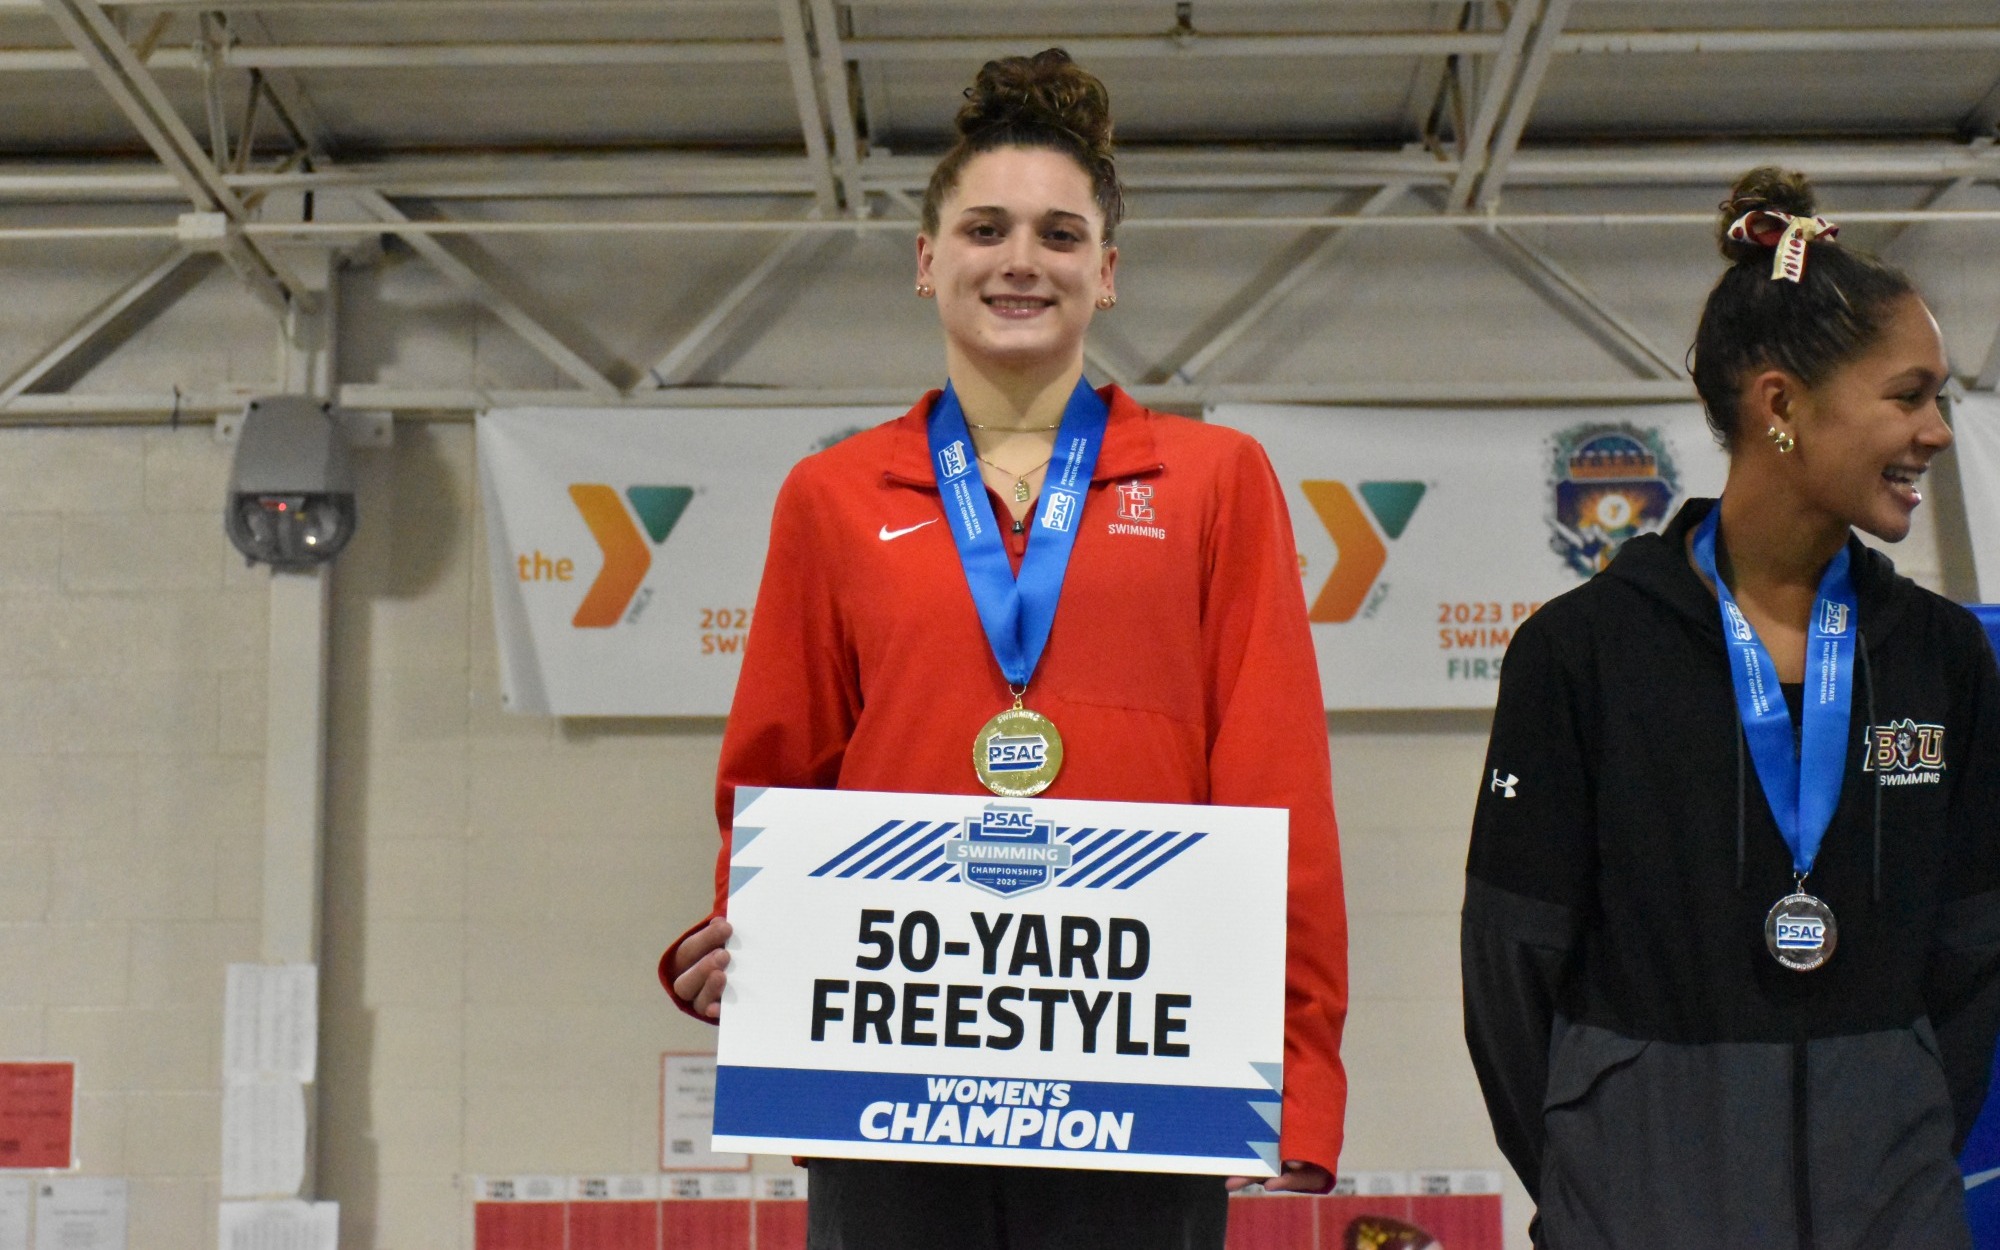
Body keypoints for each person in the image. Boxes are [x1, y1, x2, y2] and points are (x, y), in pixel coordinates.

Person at [658, 48, 1348, 1249]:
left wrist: (1296, 1068)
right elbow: (775, 771)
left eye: (1058, 234)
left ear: (1106, 271)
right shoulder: (832, 496)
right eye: (984, 229)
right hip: (891, 1077)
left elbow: (1275, 784)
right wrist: (748, 946)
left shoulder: (1213, 482)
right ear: (926, 260)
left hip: (1143, 1075)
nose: (1020, 259)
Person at [1461, 165, 2000, 1248]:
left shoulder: (1940, 659)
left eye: (1938, 399)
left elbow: (1973, 956)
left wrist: (1893, 1140)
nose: (1936, 431)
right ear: (1780, 405)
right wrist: (1599, 1177)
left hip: (1889, 1215)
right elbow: (1510, 970)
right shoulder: (1580, 654)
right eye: (1907, 396)